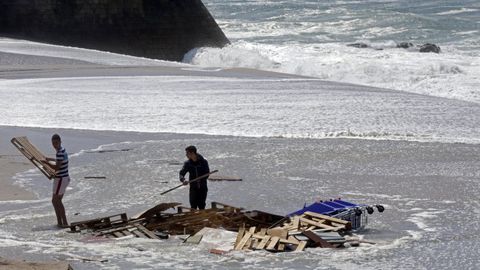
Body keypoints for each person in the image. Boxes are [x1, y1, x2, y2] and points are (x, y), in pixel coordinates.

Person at [44, 134, 70, 228]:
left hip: (61, 179)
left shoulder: (60, 152)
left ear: (60, 141)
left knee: (57, 201)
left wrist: (46, 163)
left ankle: (64, 223)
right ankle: (60, 222)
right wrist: (50, 159)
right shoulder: (62, 150)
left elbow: (57, 167)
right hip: (64, 178)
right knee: (56, 201)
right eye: (53, 143)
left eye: (56, 143)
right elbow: (59, 161)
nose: (54, 145)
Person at [179, 145, 210, 210]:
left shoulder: (203, 162)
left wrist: (199, 179)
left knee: (202, 205)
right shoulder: (187, 163)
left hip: (202, 187)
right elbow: (181, 173)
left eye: (187, 153)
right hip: (193, 188)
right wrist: (183, 180)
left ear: (192, 153)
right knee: (193, 206)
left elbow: (207, 173)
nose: (186, 155)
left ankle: (202, 219)